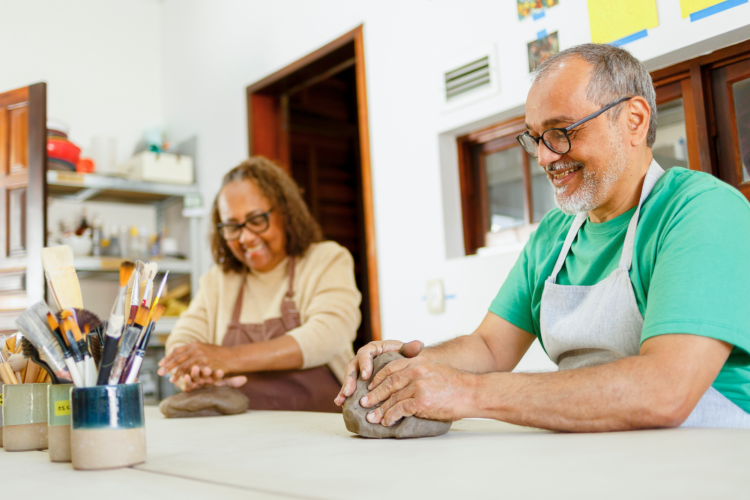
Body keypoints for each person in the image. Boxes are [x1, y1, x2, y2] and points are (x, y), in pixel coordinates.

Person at [335, 43, 750, 431]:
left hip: (709, 457)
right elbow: (490, 347)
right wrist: (406, 366)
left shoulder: (700, 211)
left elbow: (665, 391)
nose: (545, 157)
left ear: (634, 120)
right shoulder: (554, 235)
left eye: (561, 131)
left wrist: (465, 392)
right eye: (535, 138)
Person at [160, 157, 361, 412]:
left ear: (285, 212)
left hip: (318, 430)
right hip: (241, 434)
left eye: (256, 220)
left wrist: (227, 358)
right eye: (232, 226)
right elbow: (184, 337)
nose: (245, 237)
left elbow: (328, 334)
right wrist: (191, 369)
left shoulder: (326, 259)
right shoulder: (218, 280)